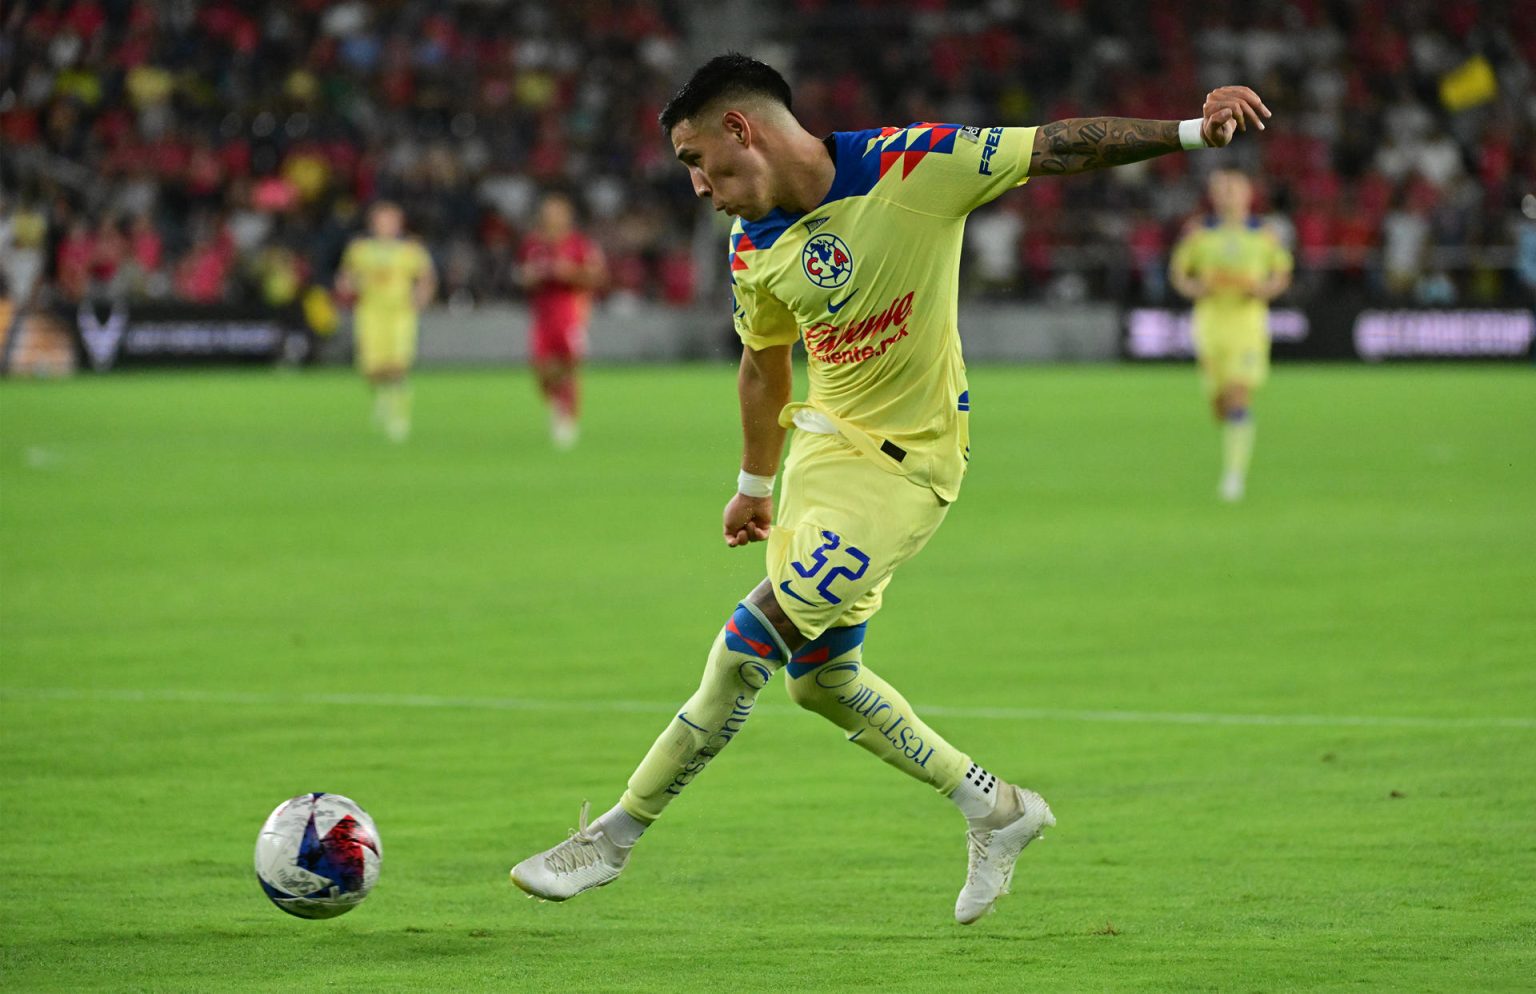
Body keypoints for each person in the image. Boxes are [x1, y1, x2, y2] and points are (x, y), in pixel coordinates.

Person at [511, 54, 1270, 924]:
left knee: (747, 646)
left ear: (740, 130)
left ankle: (612, 836)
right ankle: (995, 807)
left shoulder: (916, 165)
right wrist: (755, 483)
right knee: (822, 678)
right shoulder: (752, 242)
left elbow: (1058, 146)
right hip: (822, 460)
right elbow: (762, 369)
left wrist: (1188, 131)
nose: (698, 187)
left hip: (911, 463)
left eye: (695, 161)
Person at [1169, 171, 1293, 501]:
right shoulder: (1198, 233)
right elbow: (1179, 274)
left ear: (1248, 194)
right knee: (1220, 406)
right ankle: (1233, 445)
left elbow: (1281, 274)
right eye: (1221, 190)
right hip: (1210, 325)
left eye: (1234, 190)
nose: (1228, 196)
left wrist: (1262, 290)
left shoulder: (1264, 234)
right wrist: (1196, 287)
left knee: (1239, 394)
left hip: (1247, 326)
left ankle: (1234, 476)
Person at [336, 202, 437, 443]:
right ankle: (384, 397)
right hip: (370, 313)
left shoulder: (411, 250)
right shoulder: (360, 249)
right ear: (373, 224)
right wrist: (346, 286)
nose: (386, 226)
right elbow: (346, 276)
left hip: (400, 314)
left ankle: (399, 413)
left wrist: (421, 297)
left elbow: (426, 276)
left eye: (391, 221)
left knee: (398, 364)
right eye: (382, 221)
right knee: (372, 370)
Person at [517, 193, 606, 450]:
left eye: (558, 212)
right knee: (542, 371)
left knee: (569, 367)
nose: (553, 218)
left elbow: (597, 276)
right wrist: (532, 276)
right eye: (549, 212)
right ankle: (557, 405)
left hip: (570, 315)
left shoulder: (579, 245)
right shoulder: (533, 245)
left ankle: (569, 417)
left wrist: (570, 272)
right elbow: (521, 276)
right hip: (542, 316)